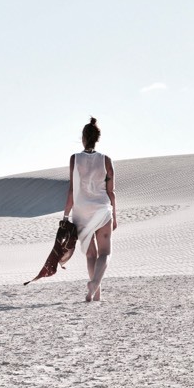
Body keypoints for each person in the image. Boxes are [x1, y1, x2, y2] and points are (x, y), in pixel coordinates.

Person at [63, 117, 118, 302]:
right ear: (97, 138)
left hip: (82, 212)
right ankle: (94, 284)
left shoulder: (74, 159)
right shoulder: (106, 160)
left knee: (90, 254)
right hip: (102, 210)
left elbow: (72, 188)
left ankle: (96, 292)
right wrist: (115, 216)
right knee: (105, 253)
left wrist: (66, 214)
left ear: (83, 138)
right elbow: (111, 192)